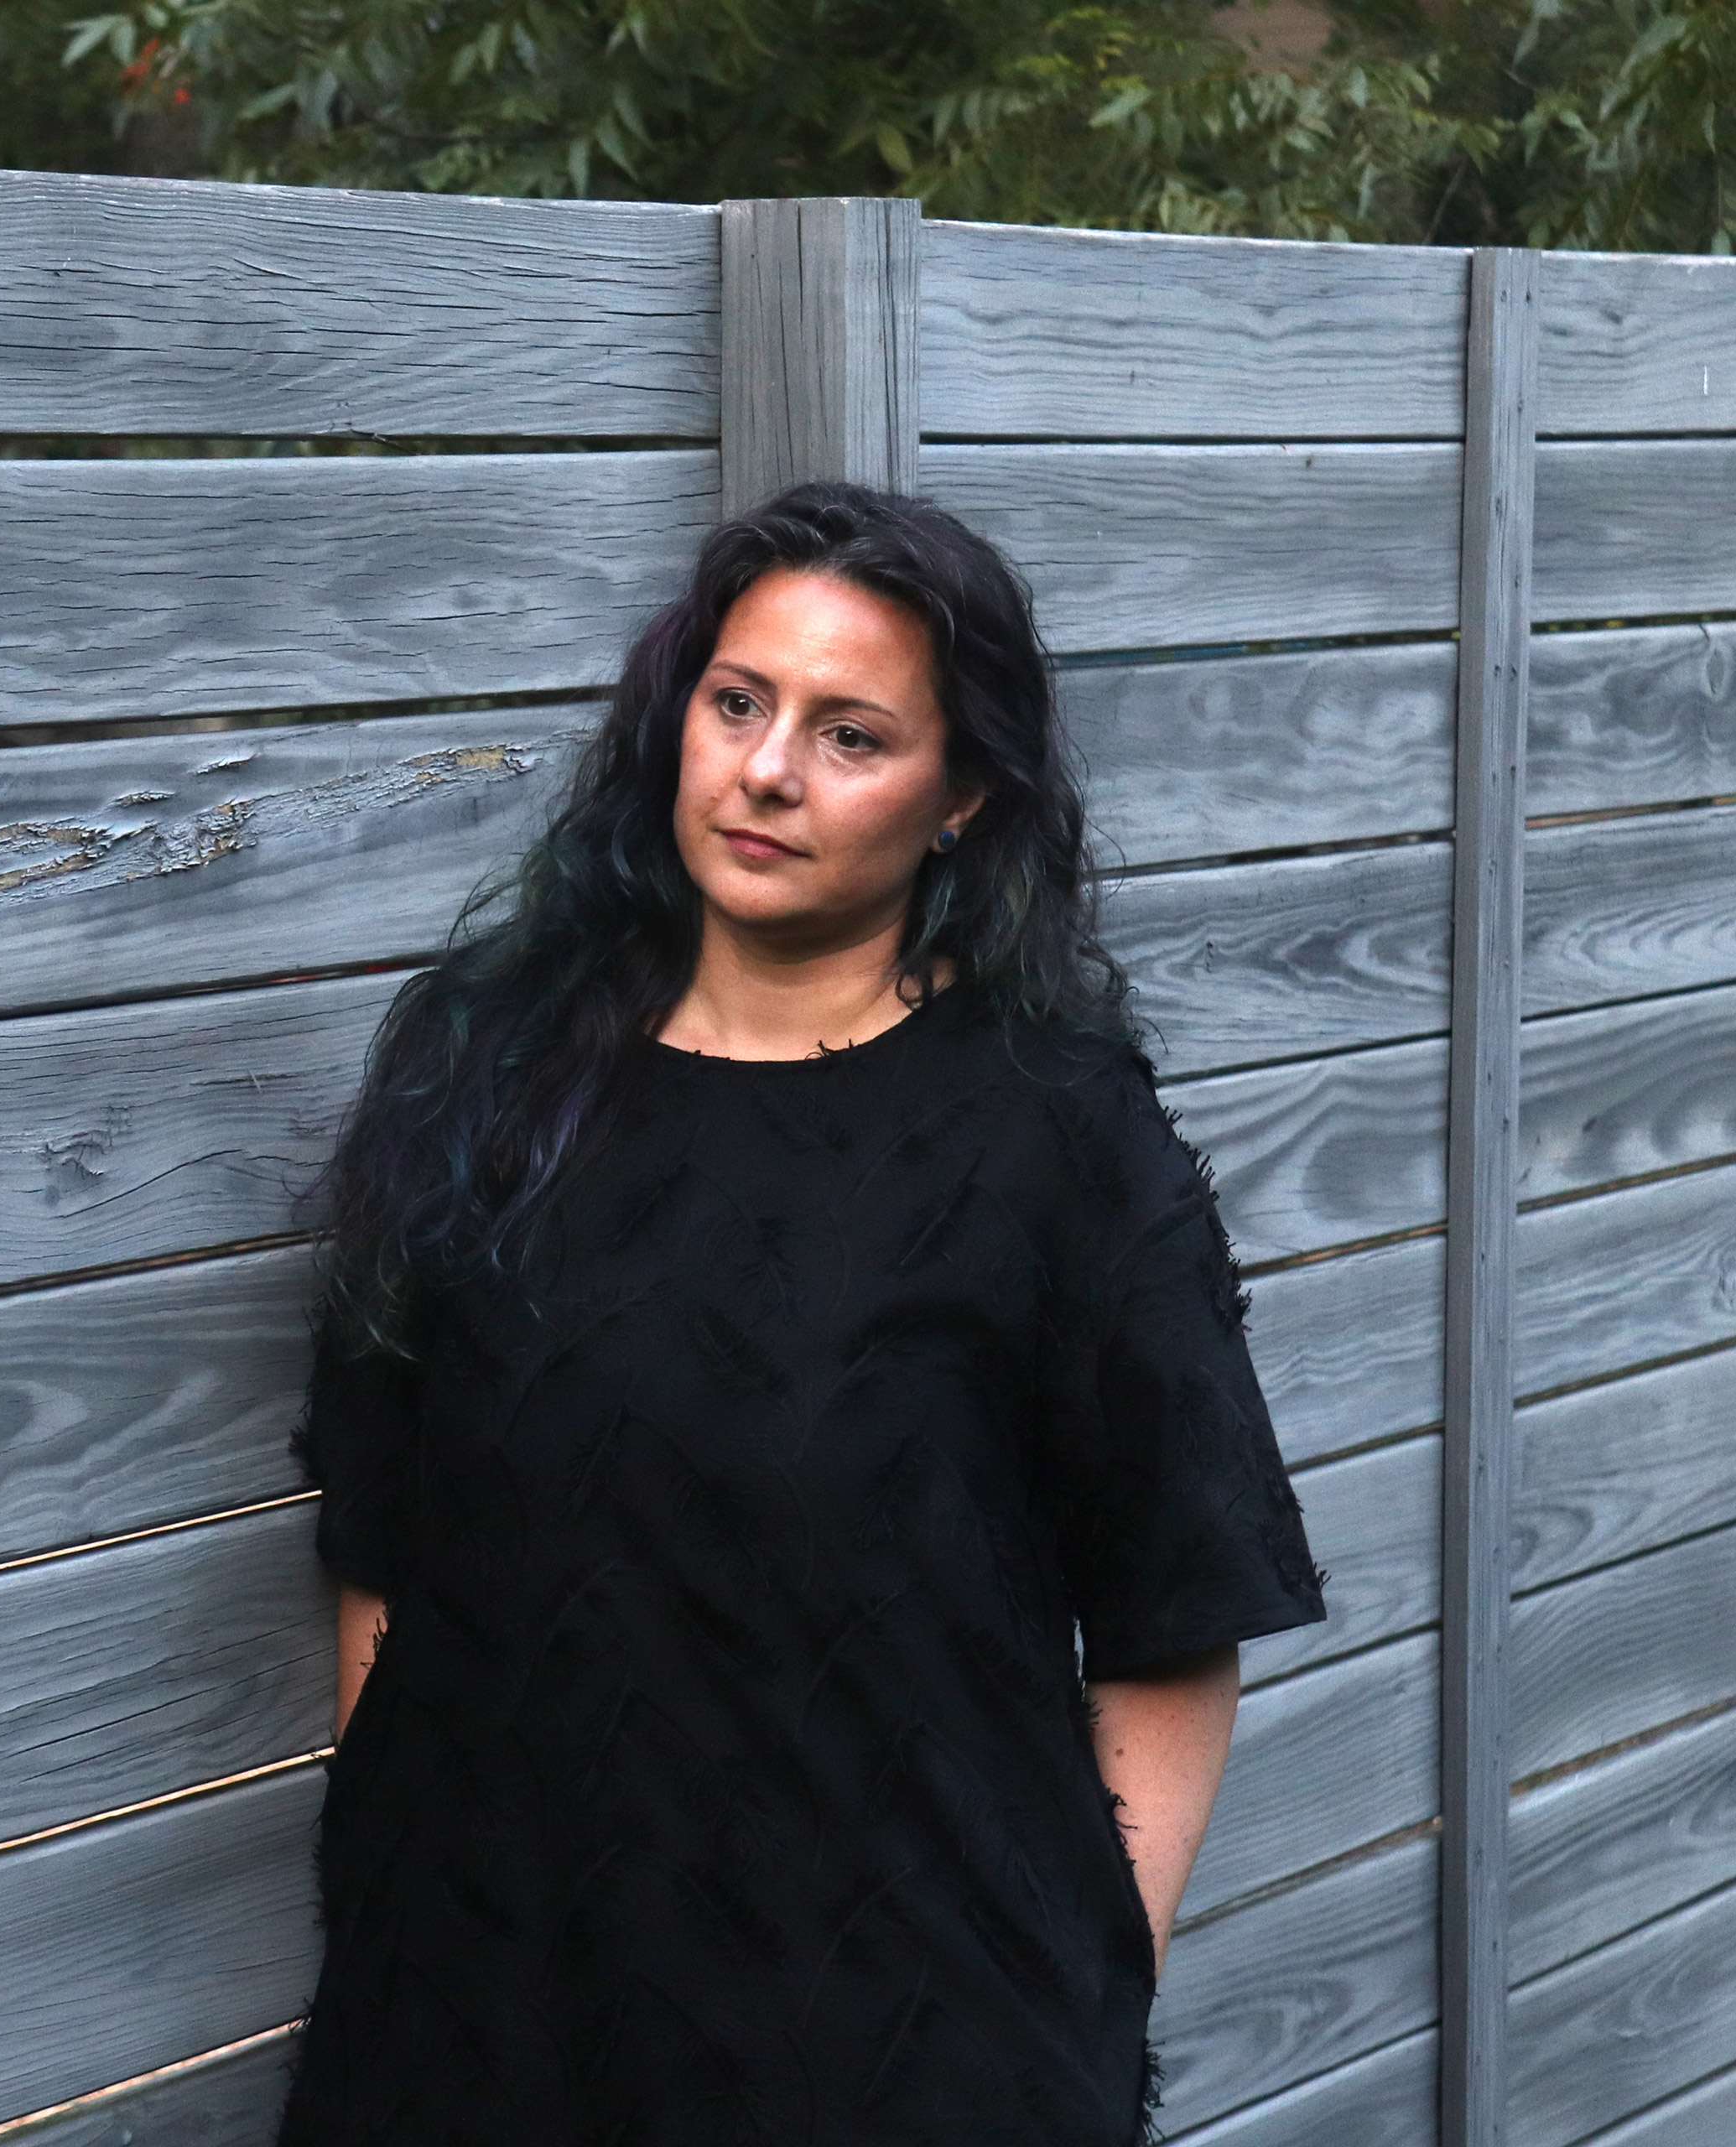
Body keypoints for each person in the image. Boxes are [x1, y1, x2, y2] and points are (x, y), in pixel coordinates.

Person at [281, 482, 1326, 2146]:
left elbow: (1172, 1607)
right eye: (739, 702)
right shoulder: (487, 1079)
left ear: (963, 793)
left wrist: (1068, 2003)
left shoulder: (1056, 1138)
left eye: (853, 736)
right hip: (482, 2031)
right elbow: (382, 1540)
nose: (768, 771)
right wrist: (421, 1902)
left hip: (903, 2059)